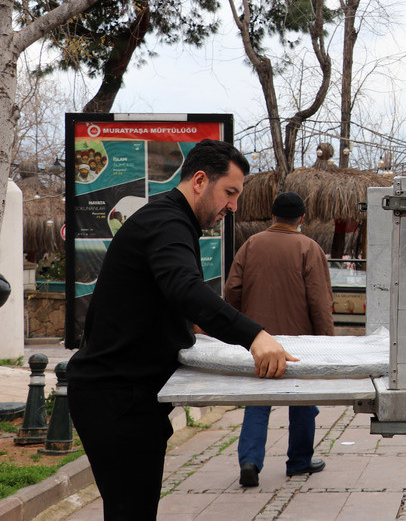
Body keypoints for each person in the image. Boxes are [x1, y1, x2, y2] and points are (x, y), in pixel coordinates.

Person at [67, 139, 295, 520]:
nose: (233, 206)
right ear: (201, 181)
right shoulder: (168, 222)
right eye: (230, 193)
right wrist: (254, 336)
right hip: (116, 398)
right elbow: (186, 291)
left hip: (124, 395)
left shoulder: (169, 219)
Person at [225, 191, 335, 487]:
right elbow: (319, 302)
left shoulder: (251, 245)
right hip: (299, 344)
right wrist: (328, 344)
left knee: (257, 402)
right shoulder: (308, 247)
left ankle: (249, 461)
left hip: (258, 339)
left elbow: (232, 291)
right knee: (302, 402)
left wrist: (236, 330)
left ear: (272, 216)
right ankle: (299, 462)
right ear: (301, 218)